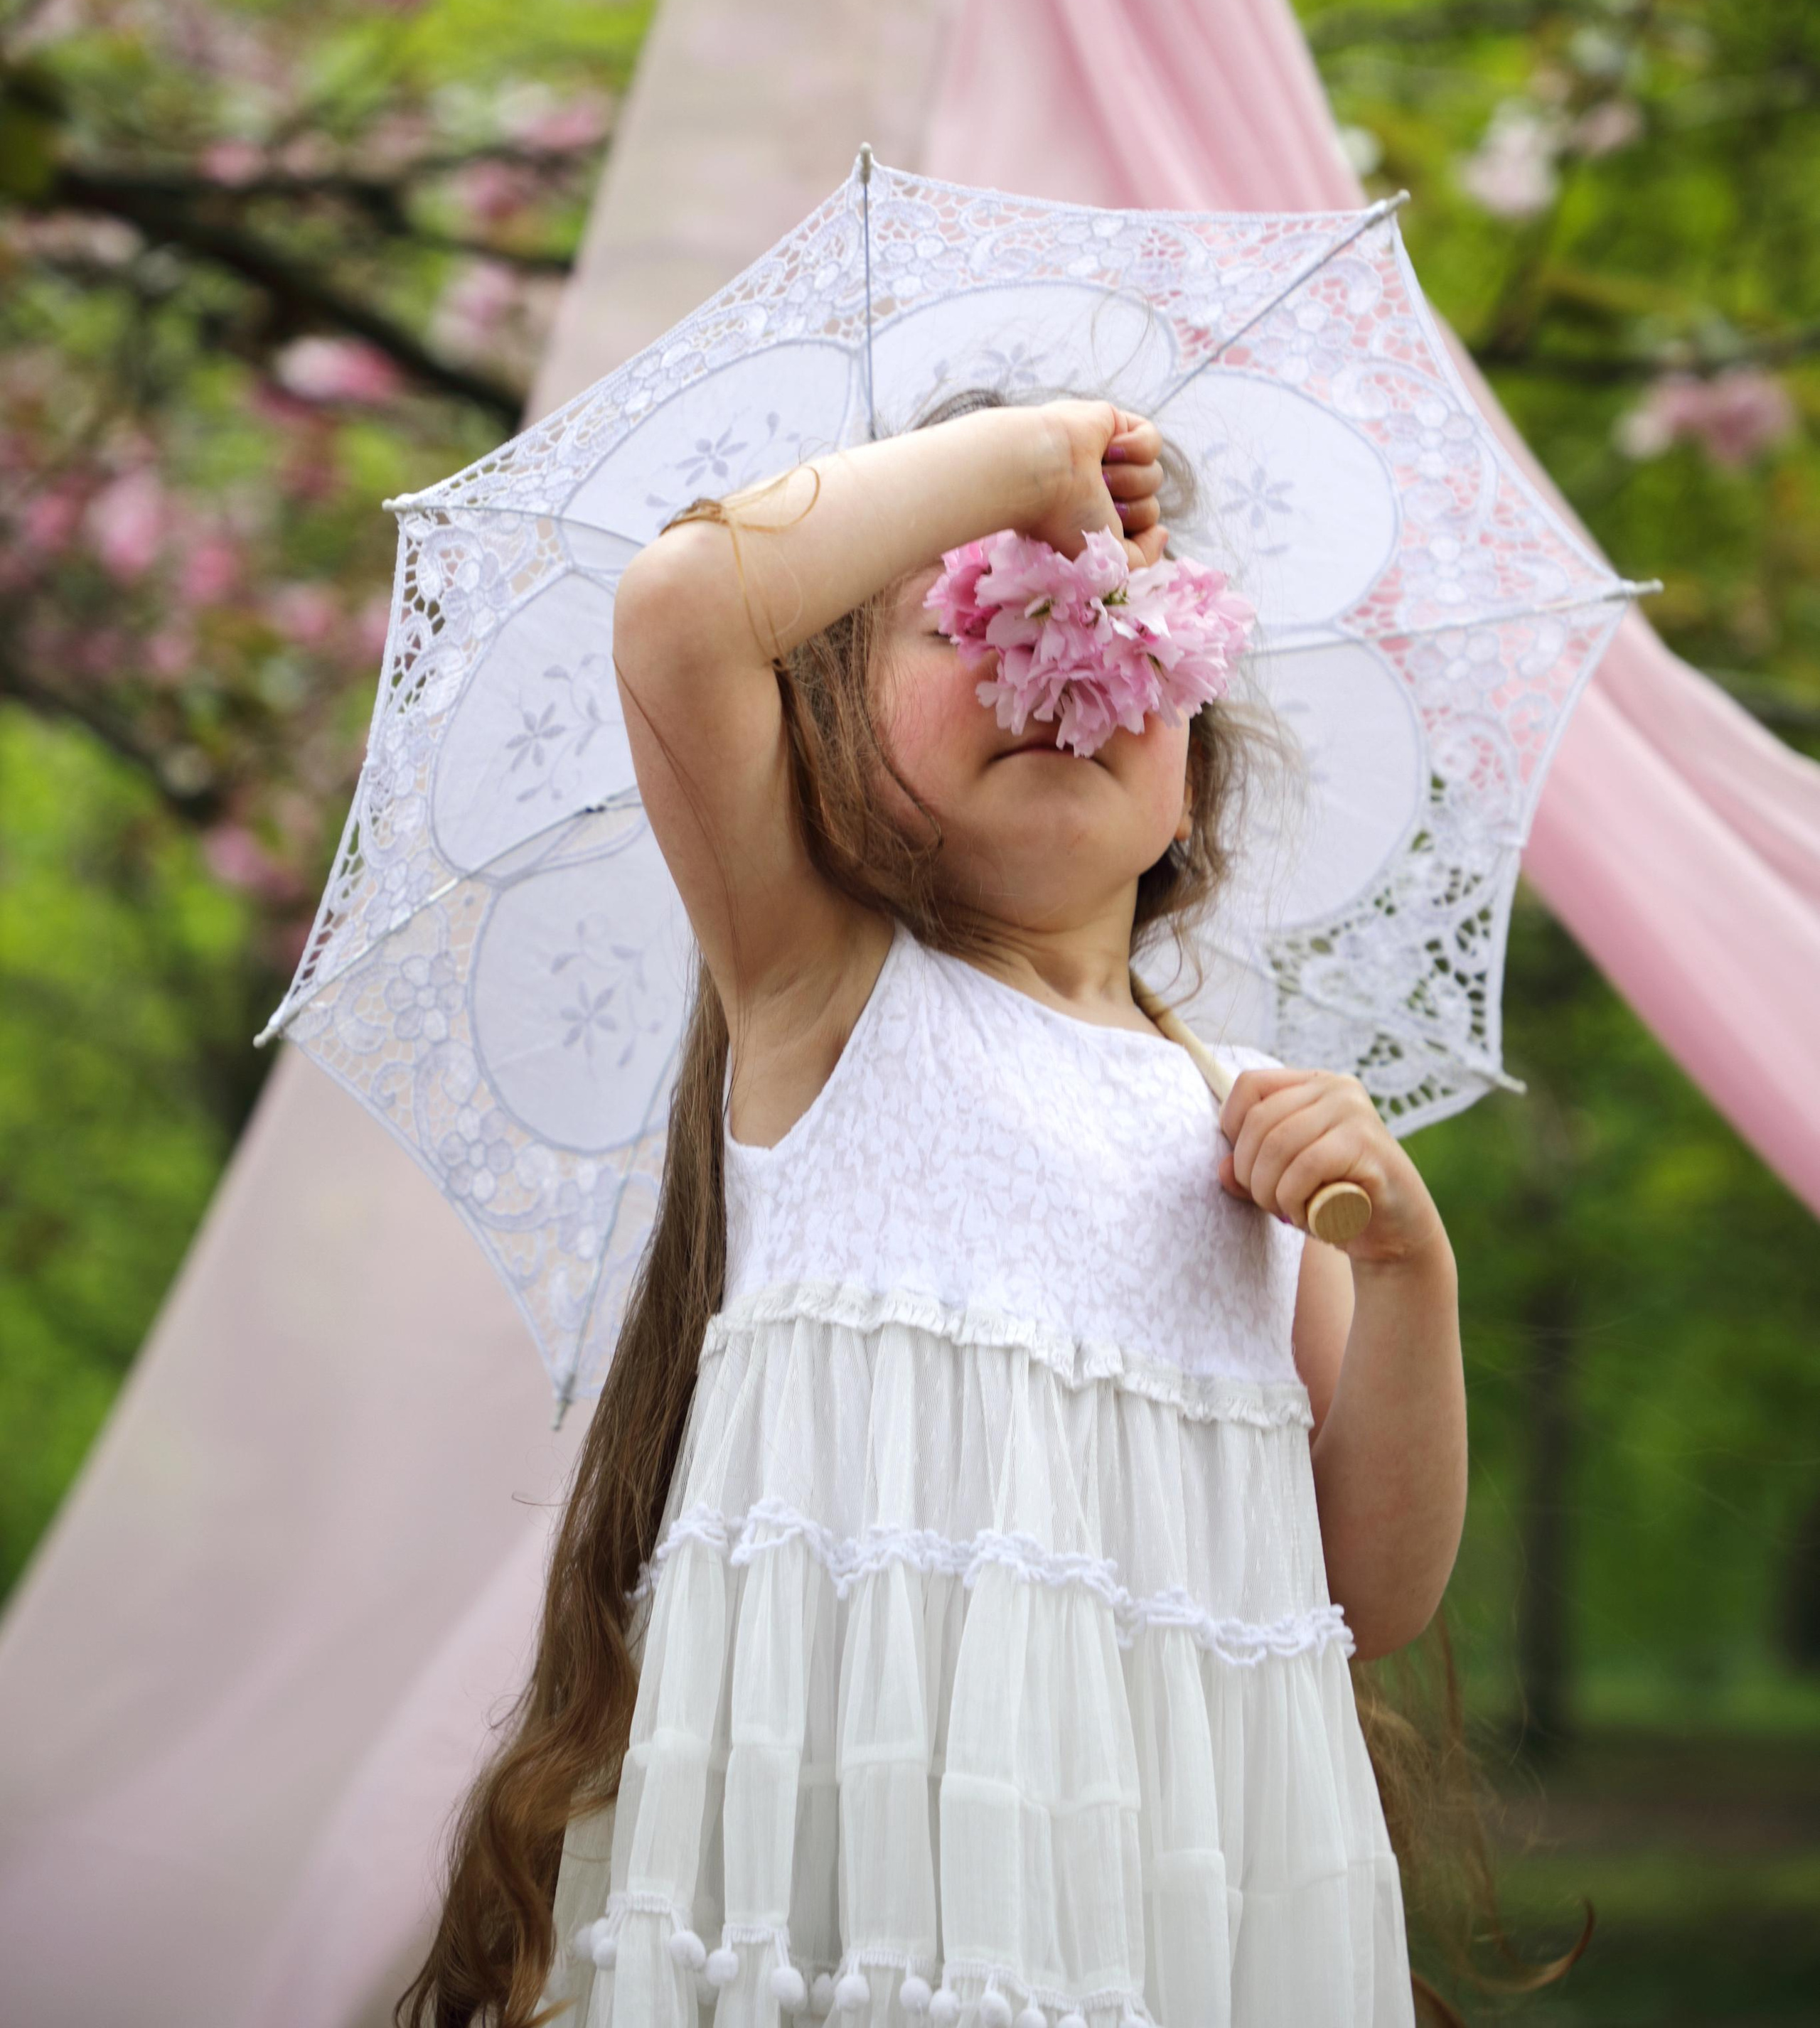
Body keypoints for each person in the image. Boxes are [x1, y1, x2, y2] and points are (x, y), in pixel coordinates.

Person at [402, 396, 1468, 2028]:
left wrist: (1405, 1271)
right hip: (870, 1840)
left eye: (1115, 619)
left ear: (1189, 792)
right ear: (826, 735)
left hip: (1157, 1878)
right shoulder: (821, 992)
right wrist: (1023, 469)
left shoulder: (1237, 1127)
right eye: (971, 613)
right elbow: (680, 606)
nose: (1058, 650)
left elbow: (1368, 1593)